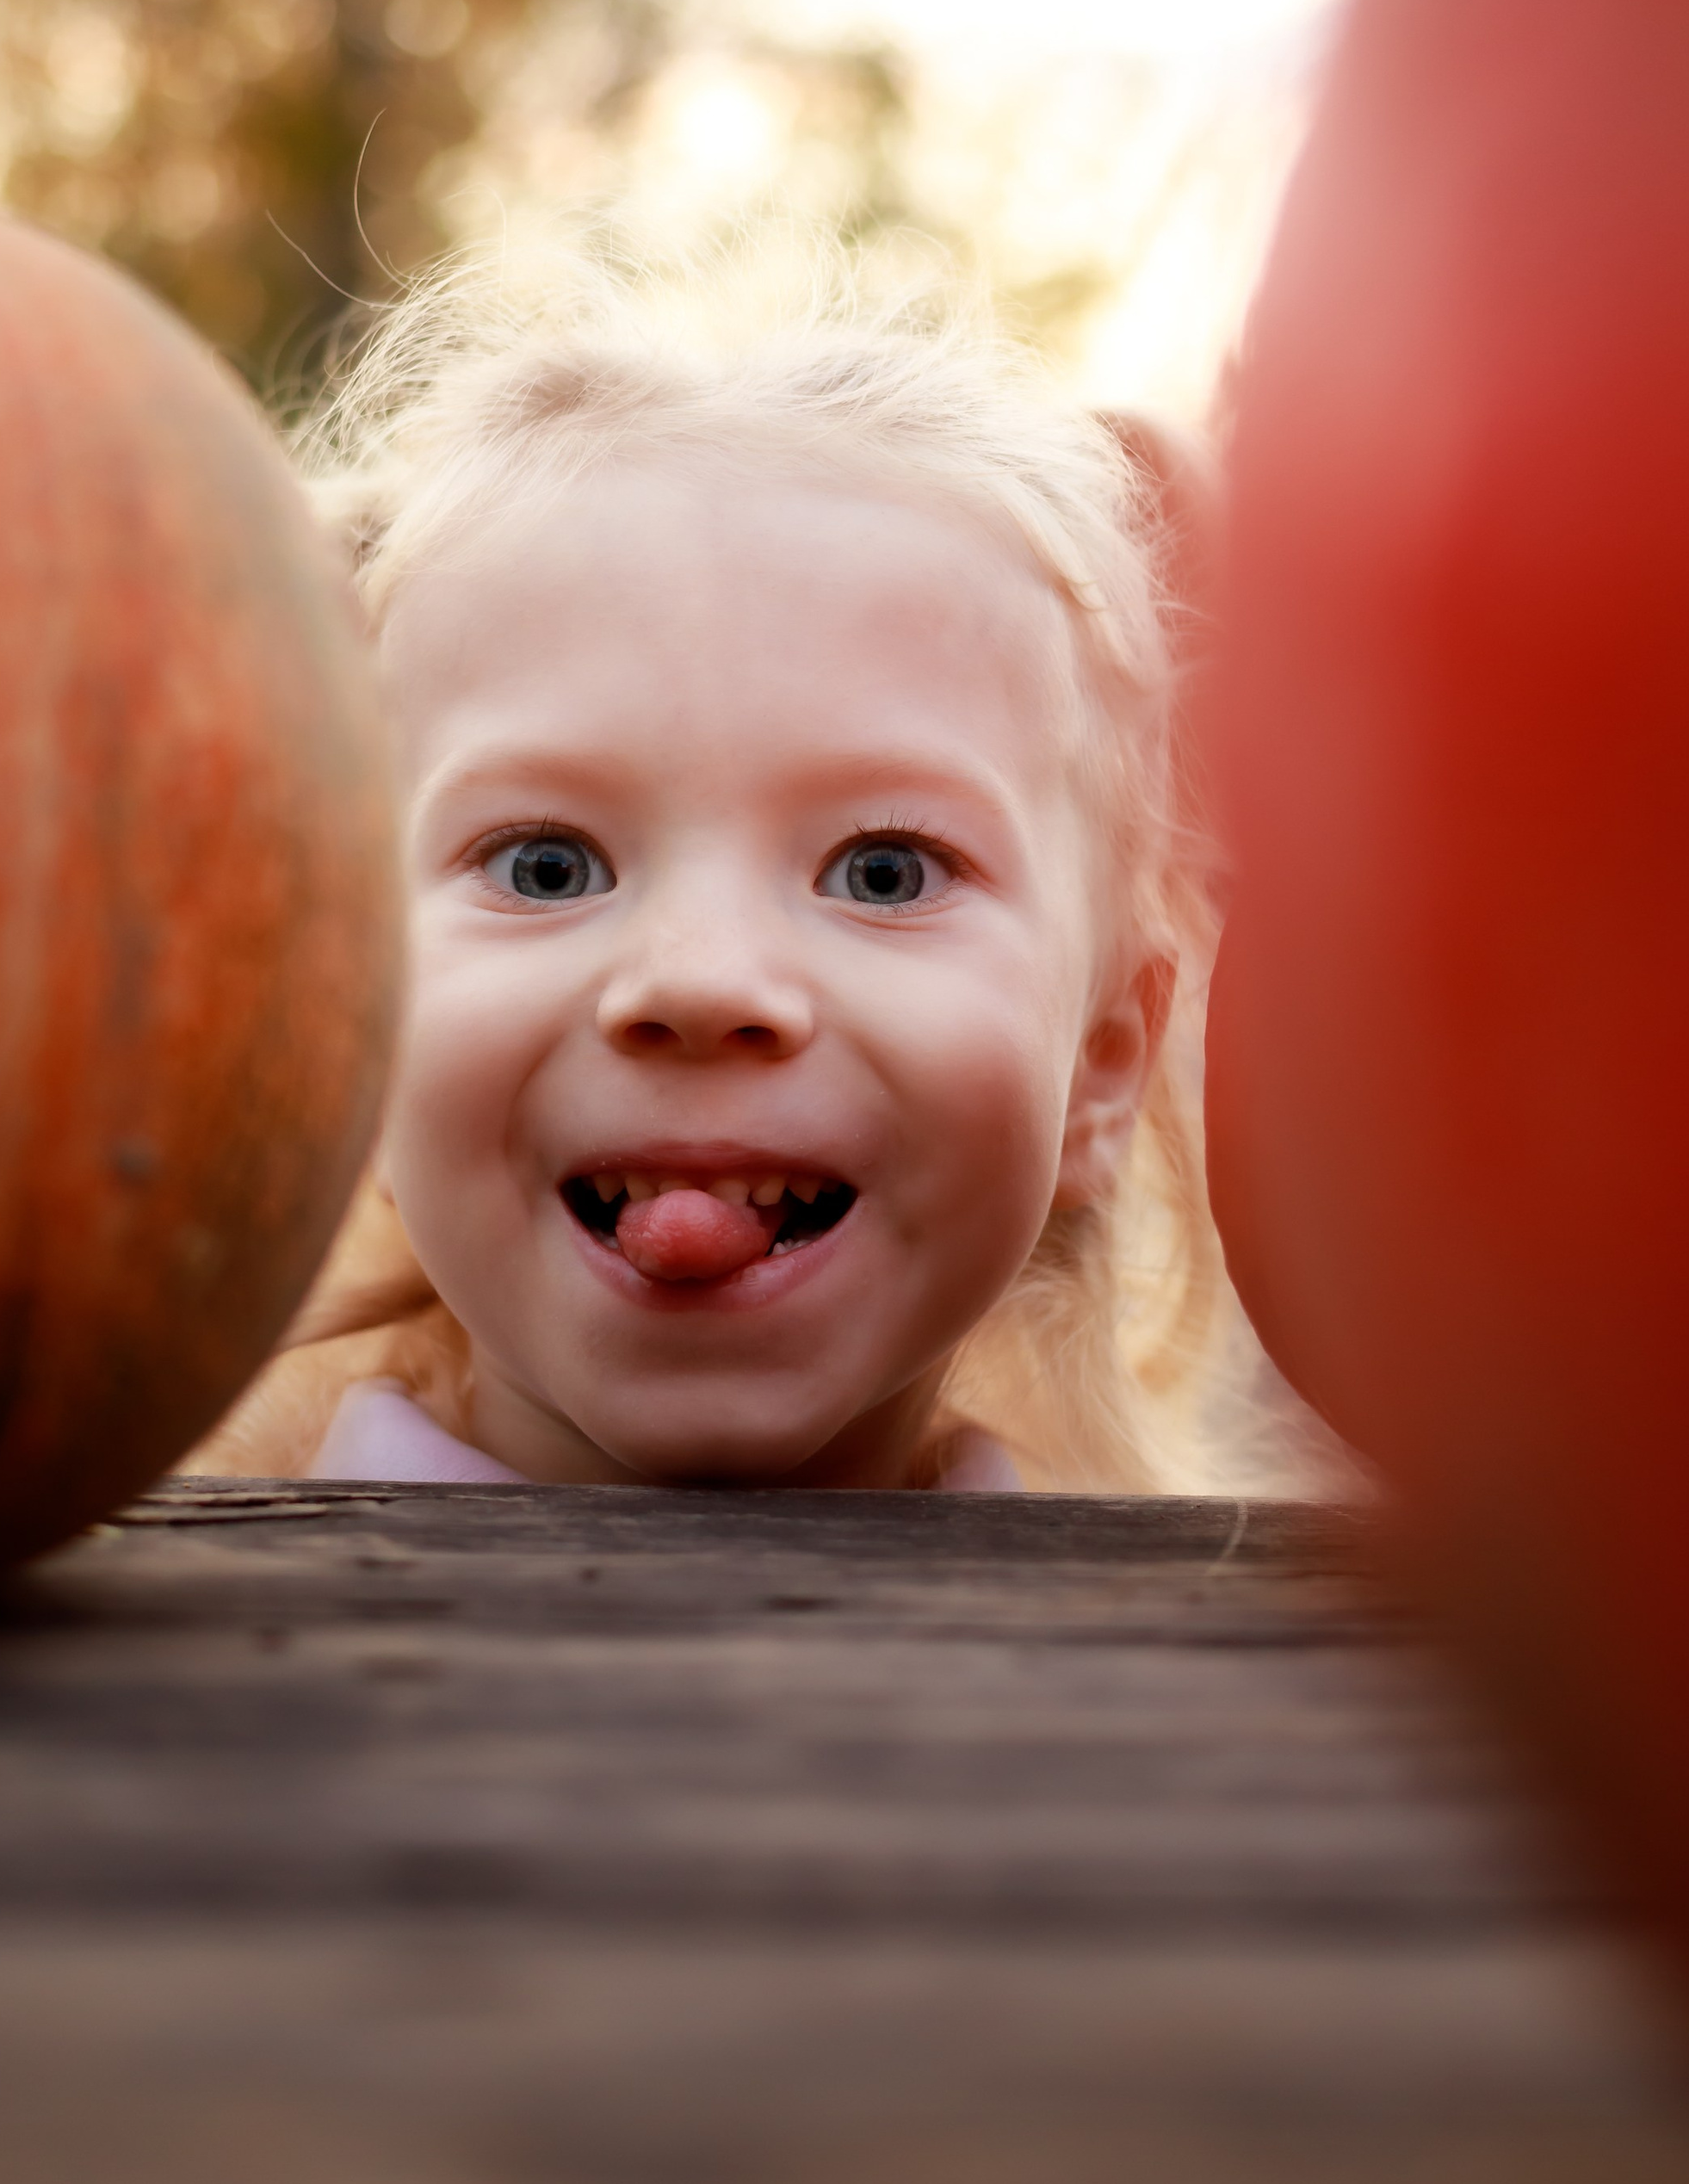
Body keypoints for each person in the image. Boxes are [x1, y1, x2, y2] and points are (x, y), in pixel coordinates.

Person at [197, 241, 1225, 1494]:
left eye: (886, 872)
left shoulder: (1136, 1673)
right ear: (348, 1032)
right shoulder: (191, 1657)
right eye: (545, 867)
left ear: (1102, 1070)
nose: (700, 982)